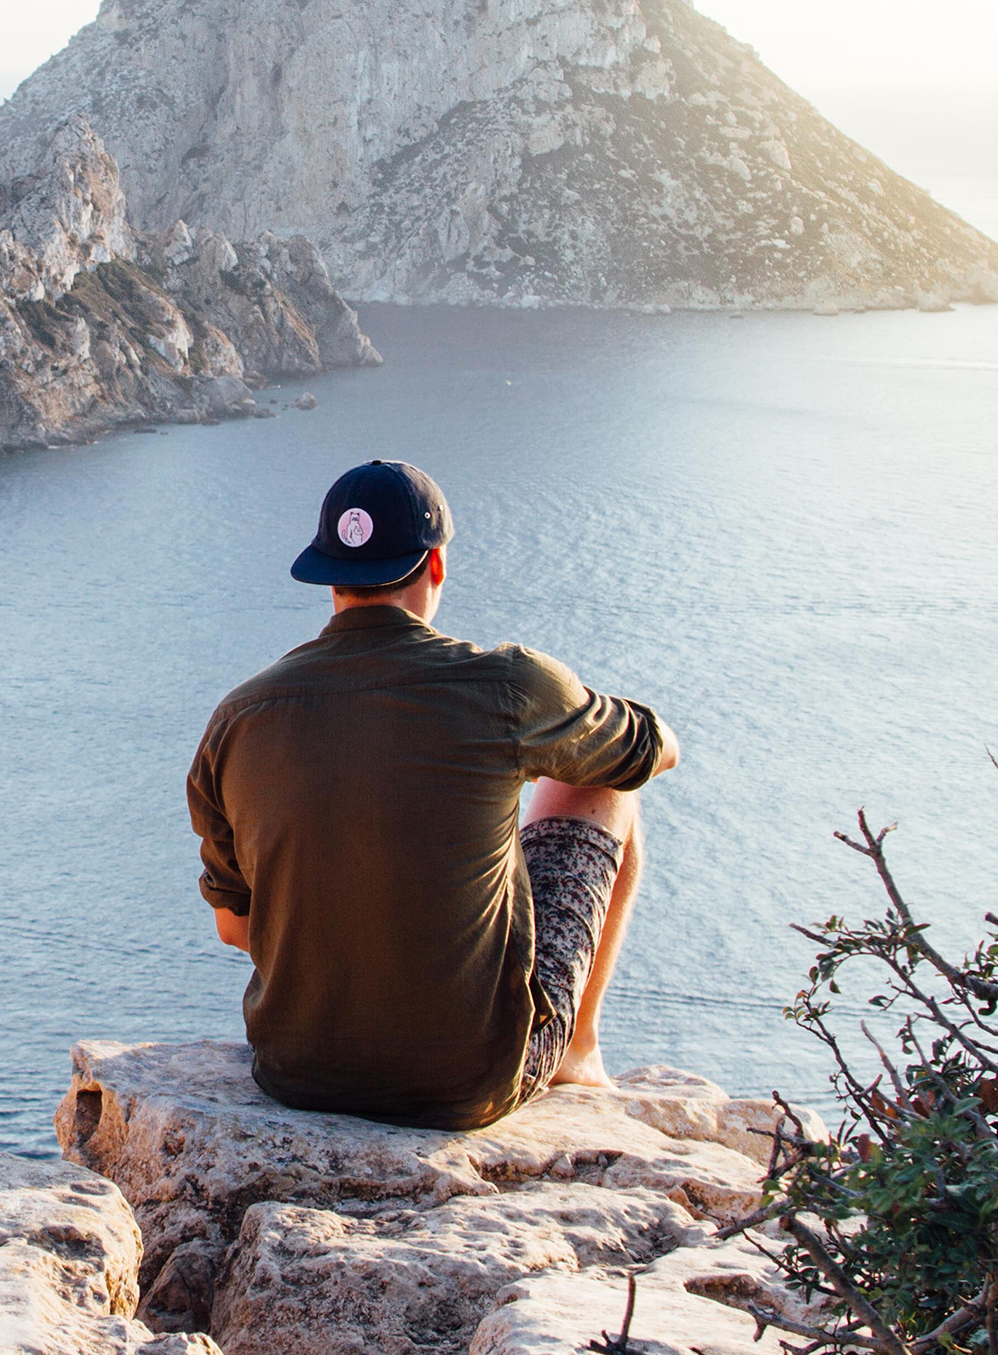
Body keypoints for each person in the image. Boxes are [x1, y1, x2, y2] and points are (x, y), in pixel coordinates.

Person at [187, 459, 678, 1131]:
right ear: (436, 565)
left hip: (297, 1073)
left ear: (329, 576)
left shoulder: (239, 717)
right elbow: (651, 751)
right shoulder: (506, 686)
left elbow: (234, 926)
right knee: (605, 784)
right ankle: (577, 1052)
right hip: (466, 1082)